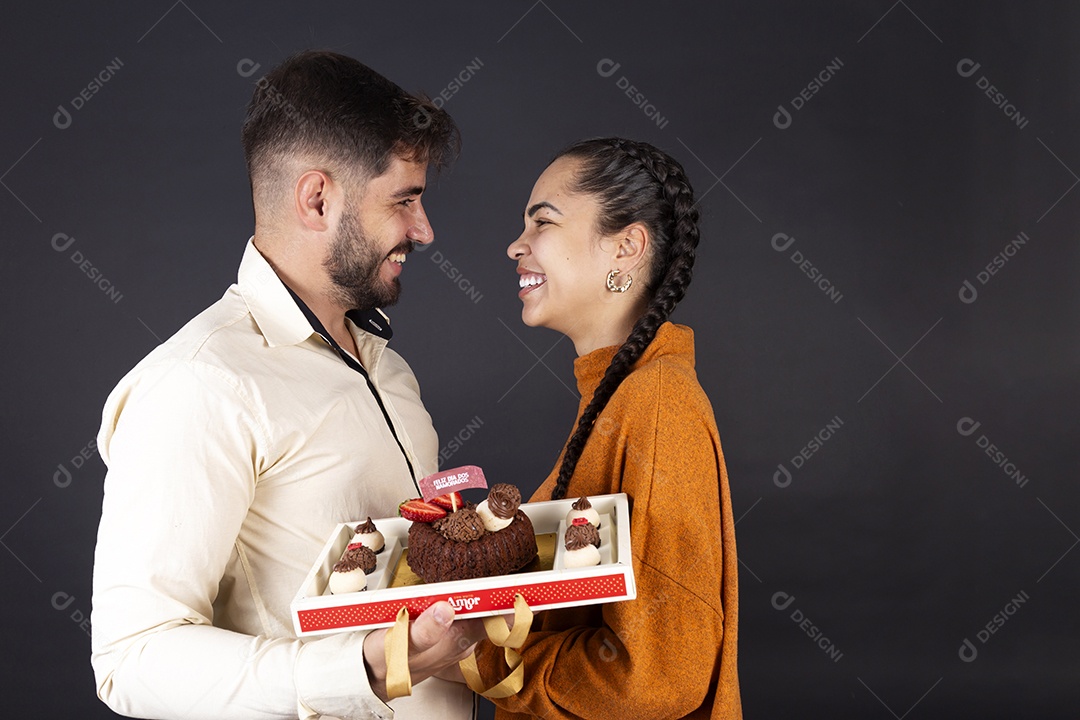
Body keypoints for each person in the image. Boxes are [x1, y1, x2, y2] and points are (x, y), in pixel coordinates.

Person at [91, 51, 484, 719]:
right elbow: (133, 659)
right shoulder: (197, 384)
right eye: (404, 201)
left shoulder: (388, 367)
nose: (424, 230)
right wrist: (363, 664)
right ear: (317, 198)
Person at [472, 138, 742, 718]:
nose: (516, 244)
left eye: (542, 221)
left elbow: (657, 680)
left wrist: (481, 659)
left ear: (626, 246)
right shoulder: (616, 396)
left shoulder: (658, 404)